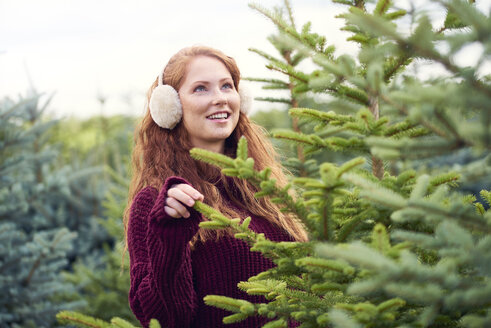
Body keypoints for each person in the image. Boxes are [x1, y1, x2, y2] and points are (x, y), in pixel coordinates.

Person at [124, 46, 308, 328]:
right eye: (201, 89)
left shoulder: (262, 184)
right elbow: (162, 319)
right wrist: (170, 234)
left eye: (226, 86)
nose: (219, 99)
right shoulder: (157, 204)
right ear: (170, 106)